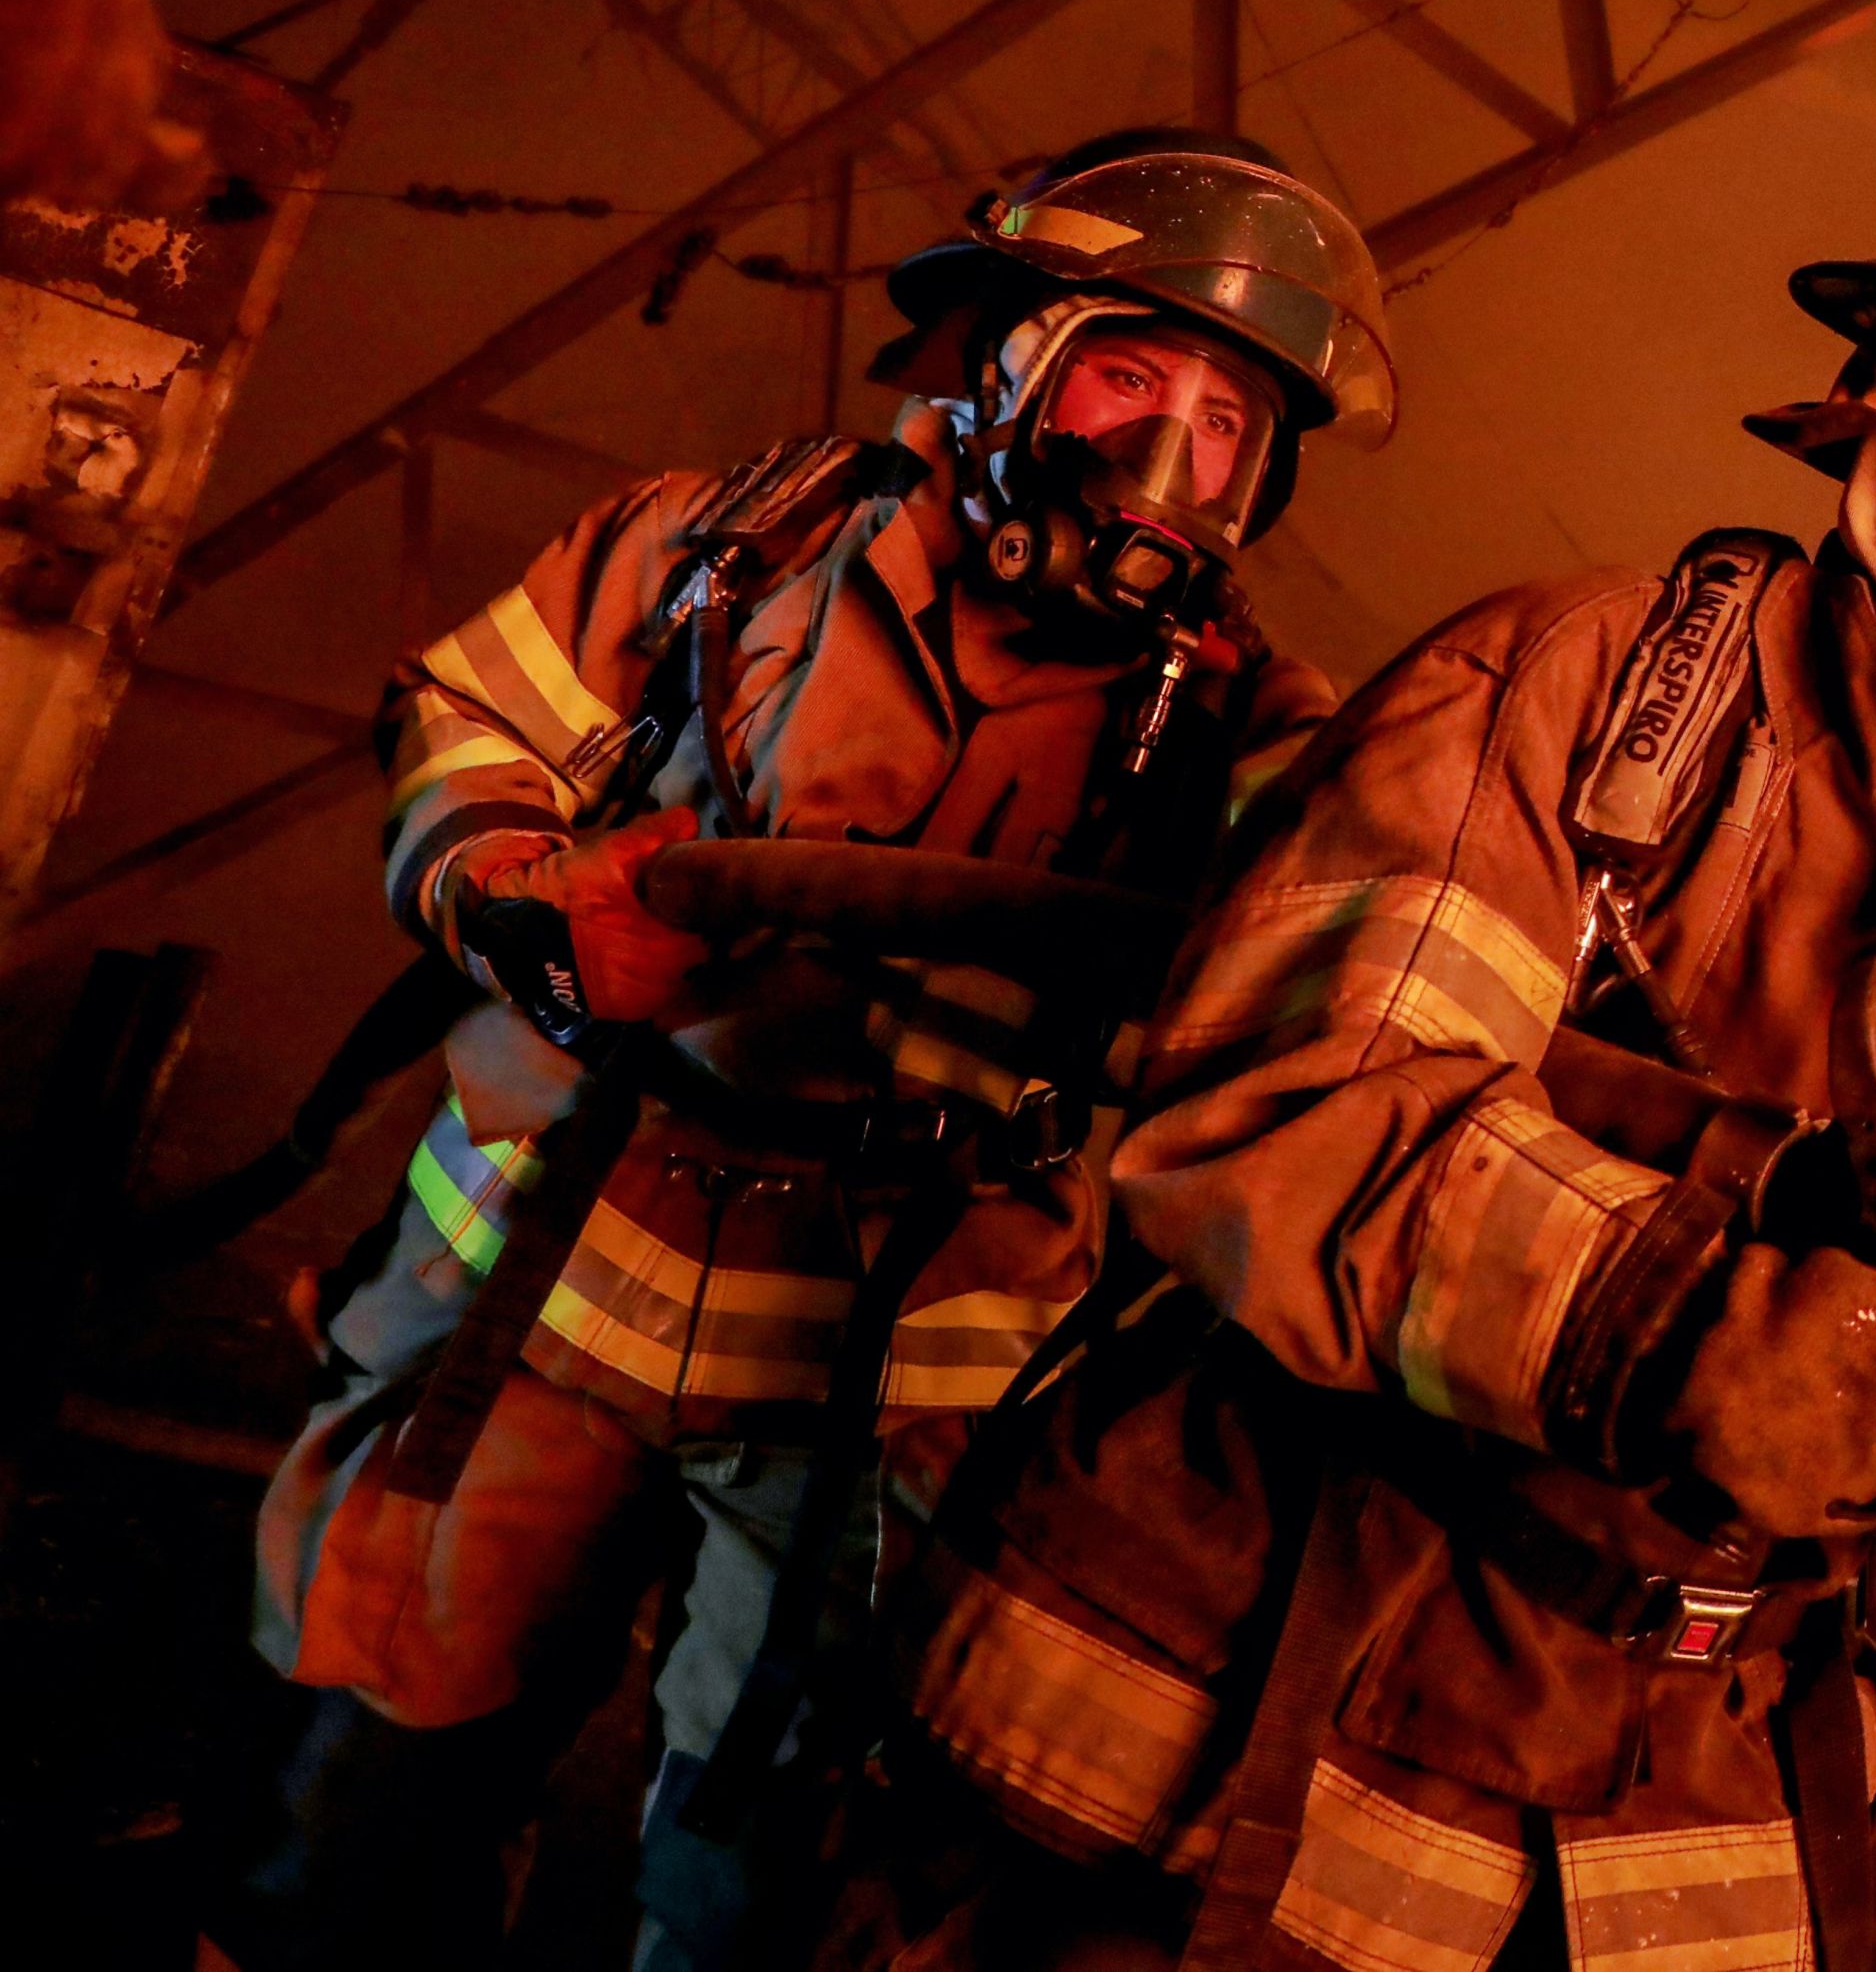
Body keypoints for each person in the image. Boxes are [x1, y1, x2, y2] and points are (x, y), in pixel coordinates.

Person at [845, 125, 1876, 1972]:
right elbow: (1286, 1121)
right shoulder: (1596, 692)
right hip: (1204, 1743)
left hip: (1677, 1825)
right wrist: (1681, 1321)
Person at [220, 133, 1396, 1972]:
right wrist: (528, 900)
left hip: (892, 1343)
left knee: (766, 1840)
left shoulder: (1261, 730)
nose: (1174, 450)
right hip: (558, 1249)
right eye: (1129, 374)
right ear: (1012, 355)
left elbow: (1341, 962)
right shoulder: (733, 544)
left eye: (1234, 422)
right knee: (385, 1739)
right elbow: (470, 720)